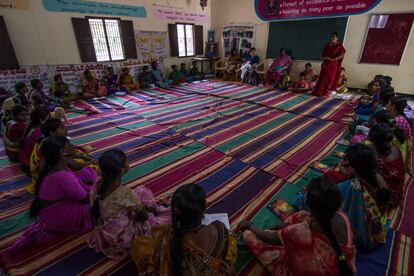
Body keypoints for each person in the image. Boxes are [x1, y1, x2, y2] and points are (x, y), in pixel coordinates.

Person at [239, 177, 356, 275]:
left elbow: (268, 238)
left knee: (251, 236)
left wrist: (249, 226)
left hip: (319, 270)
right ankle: (282, 231)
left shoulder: (299, 232)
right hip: (339, 262)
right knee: (301, 215)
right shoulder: (342, 216)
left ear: (310, 206)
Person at [10, 136, 96, 250]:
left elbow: (75, 178)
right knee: (100, 204)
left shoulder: (54, 167)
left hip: (49, 212)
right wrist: (100, 191)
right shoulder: (62, 175)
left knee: (88, 173)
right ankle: (74, 224)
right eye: (69, 144)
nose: (73, 146)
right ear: (62, 151)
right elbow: (85, 198)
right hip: (56, 217)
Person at [130, 184, 237, 275]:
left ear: (175, 212)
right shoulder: (219, 229)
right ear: (205, 207)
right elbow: (229, 258)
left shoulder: (165, 238)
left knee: (139, 245)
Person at [89, 149, 170, 260]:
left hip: (106, 232)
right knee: (142, 192)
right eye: (127, 161)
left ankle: (148, 208)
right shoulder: (125, 193)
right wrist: (144, 209)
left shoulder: (97, 183)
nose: (129, 162)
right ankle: (156, 212)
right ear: (122, 170)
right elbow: (144, 216)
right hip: (123, 239)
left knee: (138, 195)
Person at [338, 144, 391, 248]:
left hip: (366, 237)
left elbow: (336, 194)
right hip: (380, 229)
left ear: (354, 167)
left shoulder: (355, 186)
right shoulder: (378, 176)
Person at [27, 118, 96, 193]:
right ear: (52, 132)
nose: (66, 130)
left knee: (79, 153)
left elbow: (71, 153)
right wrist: (91, 162)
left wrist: (83, 157)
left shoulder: (44, 141)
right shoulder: (54, 146)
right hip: (47, 181)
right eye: (62, 128)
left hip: (40, 178)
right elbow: (75, 165)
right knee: (91, 168)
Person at [369, 124, 405, 207]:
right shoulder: (395, 148)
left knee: (356, 180)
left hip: (385, 197)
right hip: (397, 193)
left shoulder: (374, 154)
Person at [312, 32, 346, 97]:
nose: (332, 38)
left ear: (337, 38)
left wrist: (334, 59)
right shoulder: (327, 45)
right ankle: (319, 91)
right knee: (322, 77)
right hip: (325, 63)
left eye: (333, 37)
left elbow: (342, 55)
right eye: (331, 36)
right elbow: (322, 55)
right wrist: (326, 58)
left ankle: (326, 91)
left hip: (333, 64)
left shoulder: (339, 46)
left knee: (329, 78)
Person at [19, 108, 50, 173]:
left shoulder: (30, 127)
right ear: (41, 120)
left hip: (24, 163)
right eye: (48, 119)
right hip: (30, 167)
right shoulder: (39, 132)